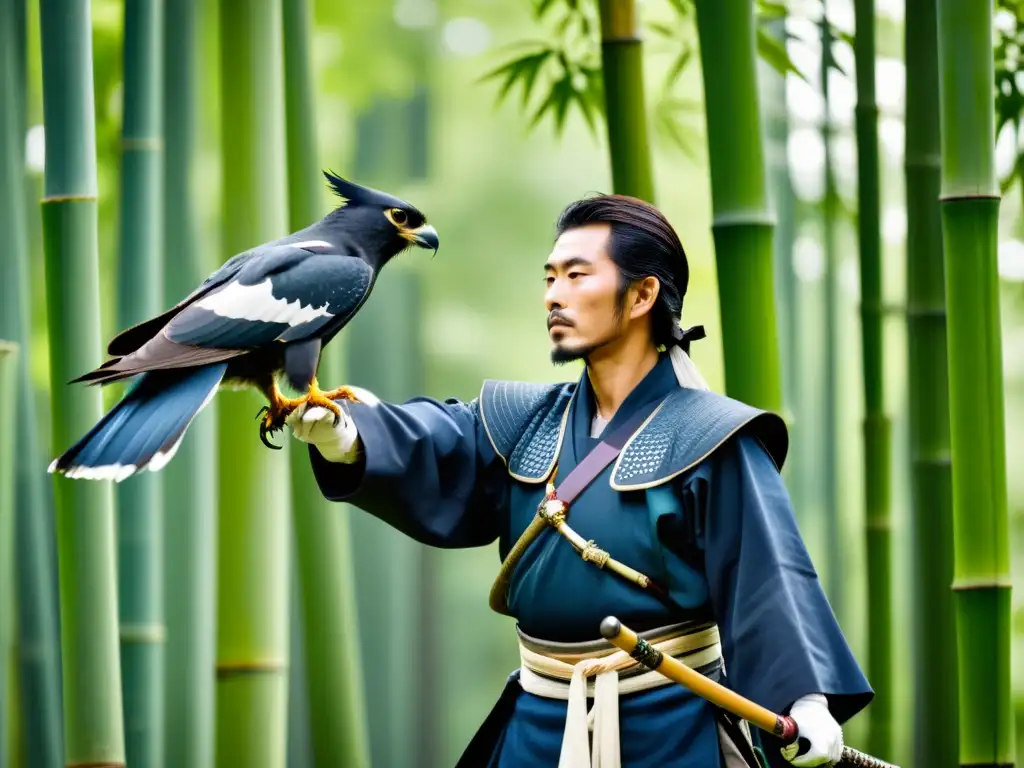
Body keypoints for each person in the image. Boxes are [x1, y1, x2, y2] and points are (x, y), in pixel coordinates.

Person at [285, 194, 873, 767]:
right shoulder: (524, 420)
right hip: (537, 727)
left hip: (672, 729)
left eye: (576, 276)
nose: (554, 297)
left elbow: (767, 576)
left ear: (643, 294)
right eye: (549, 279)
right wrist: (351, 436)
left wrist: (806, 700)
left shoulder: (713, 438)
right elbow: (440, 439)